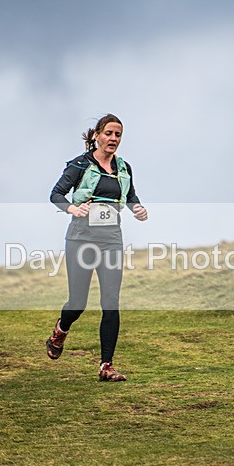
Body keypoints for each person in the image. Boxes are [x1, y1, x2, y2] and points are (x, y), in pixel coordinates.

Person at [47, 114, 148, 381]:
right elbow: (56, 194)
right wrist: (72, 207)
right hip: (81, 238)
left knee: (111, 303)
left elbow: (130, 194)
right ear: (97, 136)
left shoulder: (124, 167)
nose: (113, 139)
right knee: (78, 302)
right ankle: (61, 329)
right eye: (109, 134)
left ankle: (107, 366)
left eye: (118, 135)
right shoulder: (79, 165)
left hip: (111, 240)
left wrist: (136, 207)